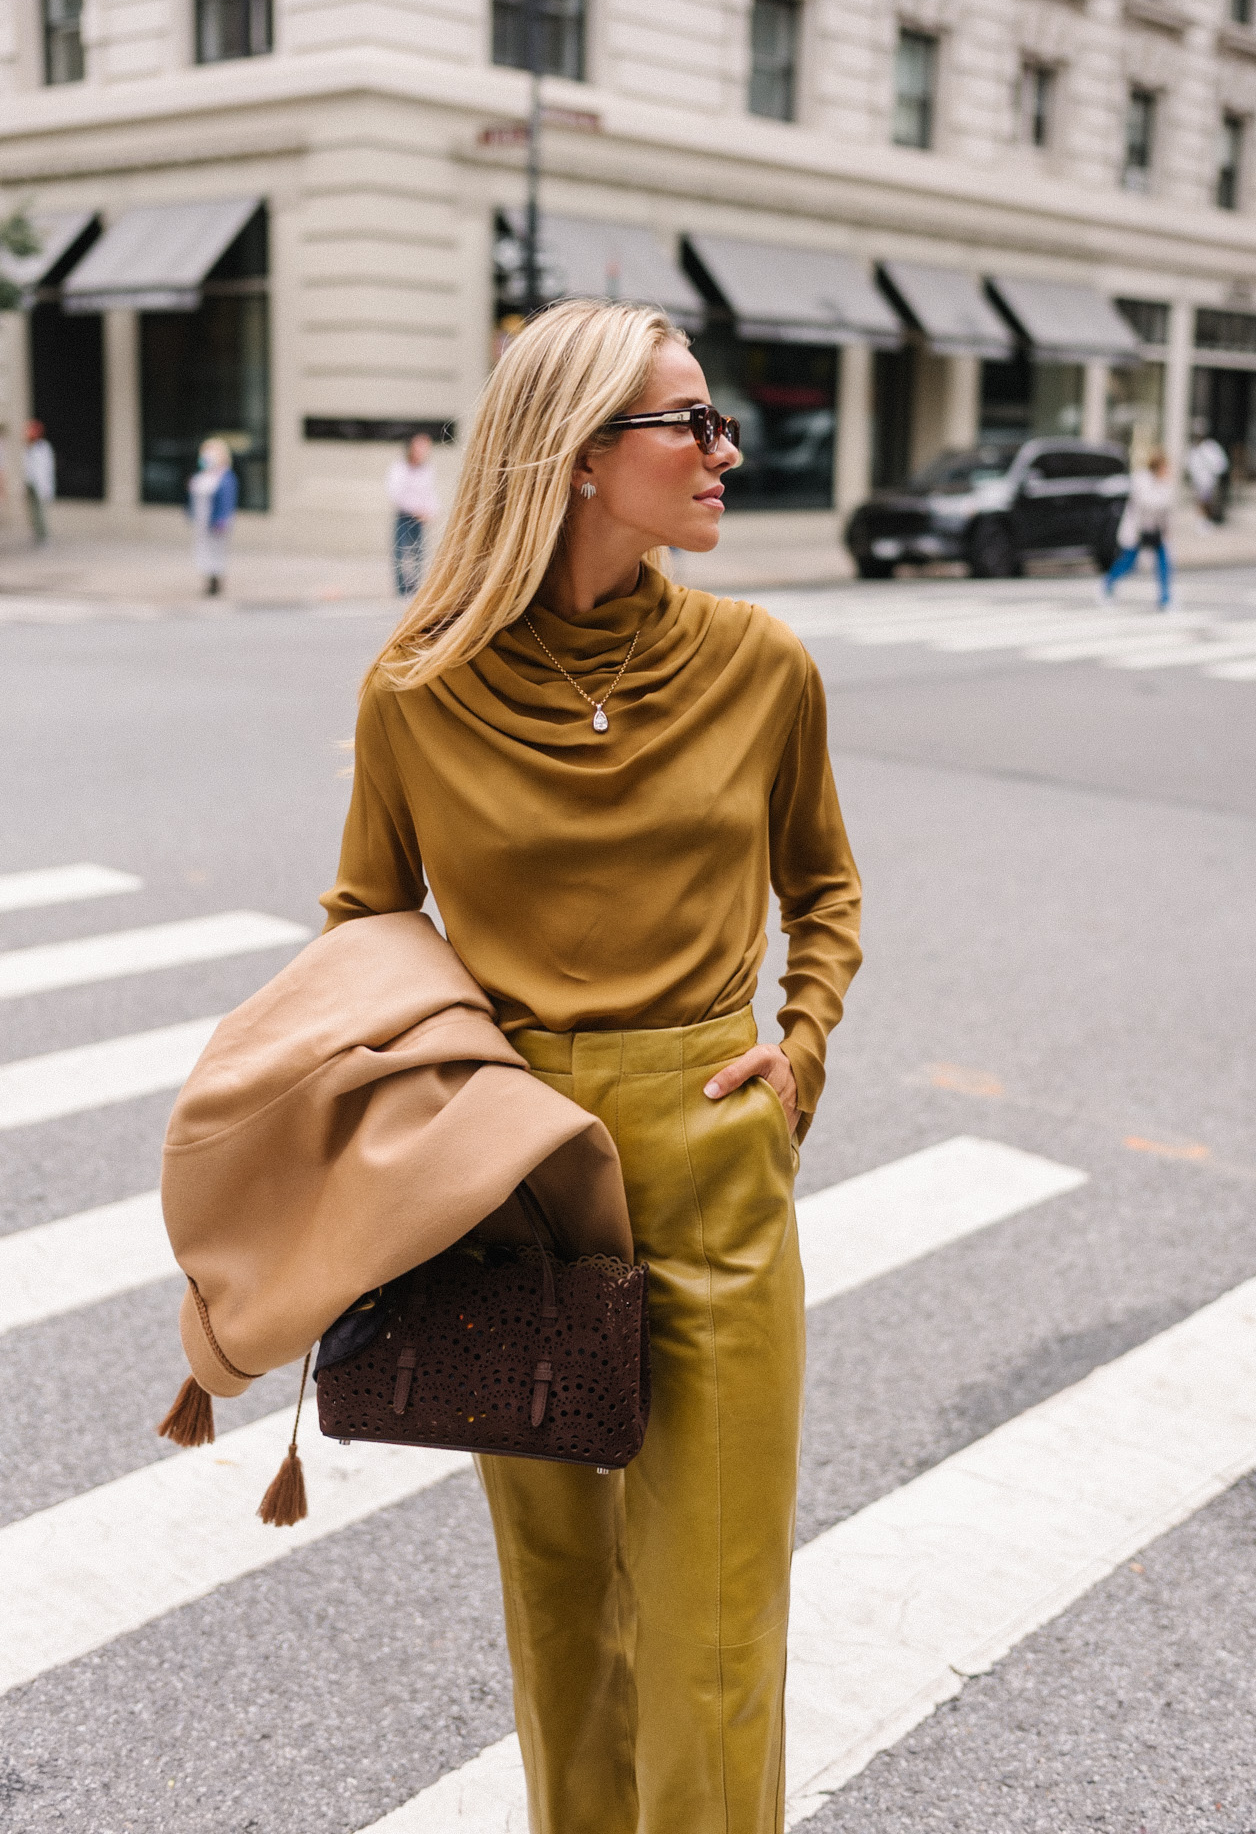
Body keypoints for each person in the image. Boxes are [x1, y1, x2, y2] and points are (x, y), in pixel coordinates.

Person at [322, 299, 862, 1834]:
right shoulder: (420, 688)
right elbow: (367, 915)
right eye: (686, 421)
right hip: (517, 1185)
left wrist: (799, 1050)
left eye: (714, 418)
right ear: (572, 460)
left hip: (714, 1167)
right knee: (565, 1613)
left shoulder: (763, 667)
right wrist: (437, 1095)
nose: (722, 449)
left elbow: (825, 886)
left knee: (715, 1633)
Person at [1104, 447, 1175, 607]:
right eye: (1164, 467)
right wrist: (1163, 495)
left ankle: (1165, 598)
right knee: (1128, 562)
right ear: (1157, 467)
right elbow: (1147, 503)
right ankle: (1108, 584)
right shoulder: (1142, 480)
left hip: (1156, 531)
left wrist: (1167, 529)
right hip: (1137, 531)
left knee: (1164, 563)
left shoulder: (1164, 483)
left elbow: (1167, 510)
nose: (1167, 470)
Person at [385, 431, 440, 596]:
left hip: (419, 519)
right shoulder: (400, 468)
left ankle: (414, 587)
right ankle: (402, 588)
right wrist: (416, 510)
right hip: (404, 516)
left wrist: (432, 510)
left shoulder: (427, 470)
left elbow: (429, 494)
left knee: (418, 553)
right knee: (401, 552)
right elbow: (396, 494)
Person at [186, 437, 238, 597]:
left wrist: (221, 519)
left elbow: (227, 500)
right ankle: (208, 578)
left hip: (217, 522)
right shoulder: (202, 476)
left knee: (216, 552)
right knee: (204, 551)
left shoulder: (226, 477)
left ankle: (215, 581)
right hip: (202, 522)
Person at [1186, 420, 1230, 524]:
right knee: (1200, 502)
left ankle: (1208, 520)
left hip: (1210, 481)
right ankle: (1202, 521)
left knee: (1208, 502)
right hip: (1198, 482)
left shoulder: (1211, 447)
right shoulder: (1193, 448)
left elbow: (1221, 464)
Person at [22, 418, 55, 546]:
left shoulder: (43, 447)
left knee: (41, 512)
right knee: (32, 511)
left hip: (40, 484)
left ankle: (44, 537)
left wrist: (48, 487)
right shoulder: (28, 447)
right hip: (30, 483)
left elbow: (47, 469)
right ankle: (36, 534)